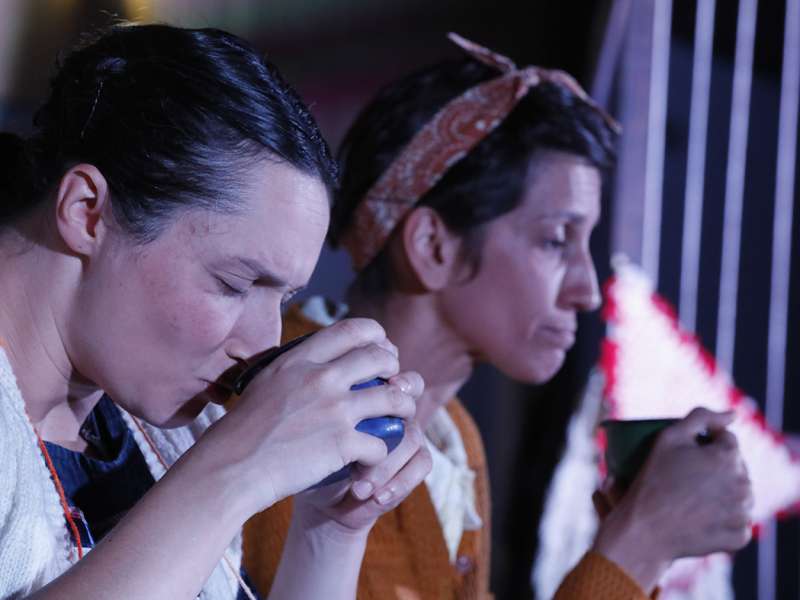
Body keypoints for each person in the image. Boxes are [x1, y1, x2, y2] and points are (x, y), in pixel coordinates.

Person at [242, 34, 754, 599]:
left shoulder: (452, 435)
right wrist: (641, 542)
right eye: (557, 241)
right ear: (434, 246)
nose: (587, 292)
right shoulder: (297, 400)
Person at [0, 23, 431, 600]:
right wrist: (234, 471)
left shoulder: (156, 419)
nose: (262, 343)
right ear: (87, 213)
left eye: (282, 298)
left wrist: (331, 528)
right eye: (234, 282)